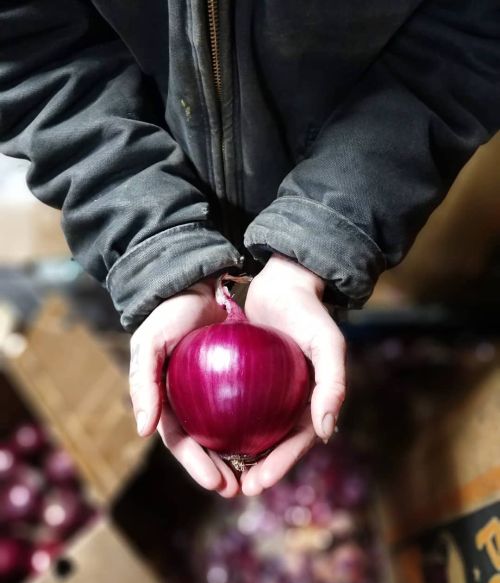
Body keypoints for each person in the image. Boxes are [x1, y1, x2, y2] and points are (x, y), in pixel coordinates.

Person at [0, 1, 498, 498]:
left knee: (430, 291)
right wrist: (153, 243)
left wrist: (331, 230)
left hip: (384, 179)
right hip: (139, 182)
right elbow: (29, 51)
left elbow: (475, 29)